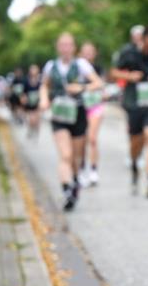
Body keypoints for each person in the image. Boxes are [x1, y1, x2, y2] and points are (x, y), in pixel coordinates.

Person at [39, 32, 104, 211]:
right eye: (62, 44)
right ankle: (66, 189)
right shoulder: (51, 66)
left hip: (78, 114)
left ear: (73, 47)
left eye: (69, 45)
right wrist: (44, 99)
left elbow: (98, 83)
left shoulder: (81, 65)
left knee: (75, 157)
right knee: (65, 155)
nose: (65, 48)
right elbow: (45, 85)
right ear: (57, 47)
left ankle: (75, 181)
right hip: (59, 114)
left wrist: (81, 87)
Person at [112, 26, 148, 197]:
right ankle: (134, 165)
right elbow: (114, 72)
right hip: (134, 103)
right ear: (143, 40)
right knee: (136, 143)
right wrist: (129, 77)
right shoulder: (129, 53)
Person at [78, 42, 106, 187]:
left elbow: (102, 85)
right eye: (85, 51)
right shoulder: (77, 68)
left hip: (95, 106)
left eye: (91, 51)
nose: (88, 54)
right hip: (81, 106)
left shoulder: (98, 69)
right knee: (81, 141)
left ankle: (93, 170)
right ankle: (81, 169)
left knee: (93, 139)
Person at [22, 64, 43, 140]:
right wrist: (24, 100)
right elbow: (24, 92)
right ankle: (31, 129)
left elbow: (43, 91)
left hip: (38, 102)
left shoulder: (40, 80)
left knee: (37, 119)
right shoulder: (26, 81)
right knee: (31, 119)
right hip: (29, 102)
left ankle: (36, 132)